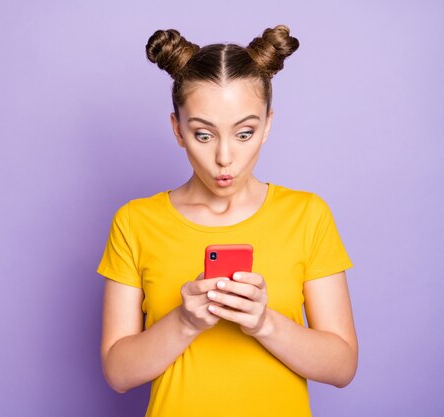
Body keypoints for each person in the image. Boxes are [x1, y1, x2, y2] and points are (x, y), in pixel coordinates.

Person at [96, 25, 358, 417]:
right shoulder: (135, 222)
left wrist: (264, 324)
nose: (224, 157)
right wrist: (185, 321)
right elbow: (118, 373)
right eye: (203, 135)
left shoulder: (307, 215)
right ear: (178, 130)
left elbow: (342, 367)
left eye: (244, 133)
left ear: (267, 125)